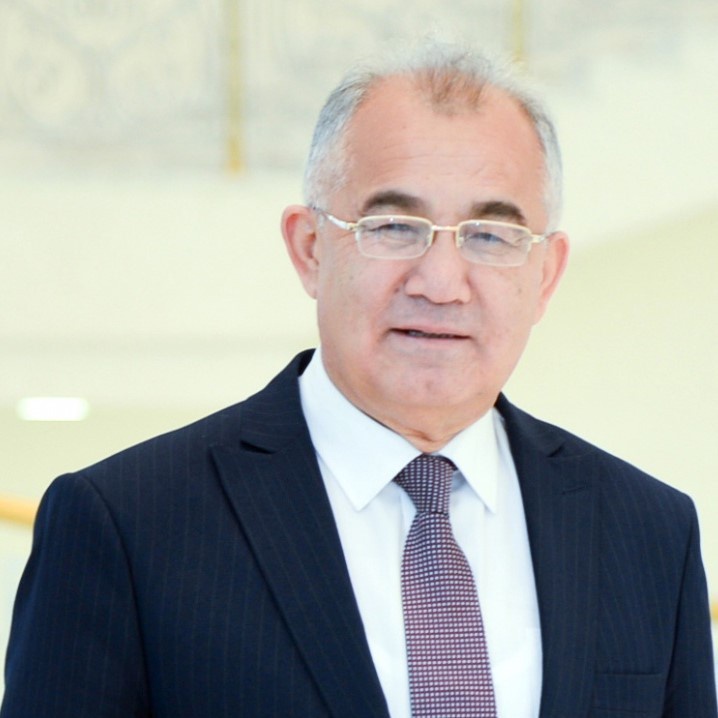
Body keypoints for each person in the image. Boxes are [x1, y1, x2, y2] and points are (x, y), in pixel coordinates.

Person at [1, 43, 715, 718]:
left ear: (546, 275)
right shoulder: (126, 526)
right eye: (394, 227)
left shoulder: (650, 534)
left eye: (490, 236)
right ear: (310, 249)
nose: (441, 283)